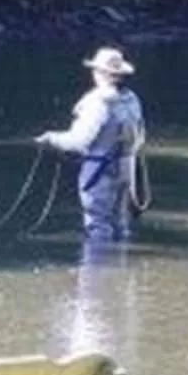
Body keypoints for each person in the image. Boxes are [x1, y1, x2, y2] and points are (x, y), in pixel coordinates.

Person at [38, 45, 147, 241]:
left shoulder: (98, 103)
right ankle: (121, 258)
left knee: (97, 224)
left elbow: (79, 141)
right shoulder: (132, 100)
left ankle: (97, 260)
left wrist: (52, 139)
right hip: (126, 169)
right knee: (120, 224)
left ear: (101, 73)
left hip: (99, 171)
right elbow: (140, 136)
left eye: (96, 70)